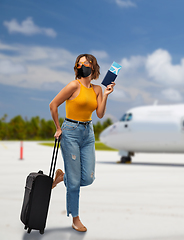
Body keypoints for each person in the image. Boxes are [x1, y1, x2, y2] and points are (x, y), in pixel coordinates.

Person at [49, 54, 115, 232]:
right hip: (70, 132)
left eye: (85, 62)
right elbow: (53, 104)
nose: (82, 65)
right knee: (75, 182)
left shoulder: (97, 90)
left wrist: (106, 94)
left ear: (93, 66)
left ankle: (63, 177)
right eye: (79, 63)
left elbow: (100, 114)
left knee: (87, 178)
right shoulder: (73, 85)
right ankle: (75, 218)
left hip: (88, 133)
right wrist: (58, 128)